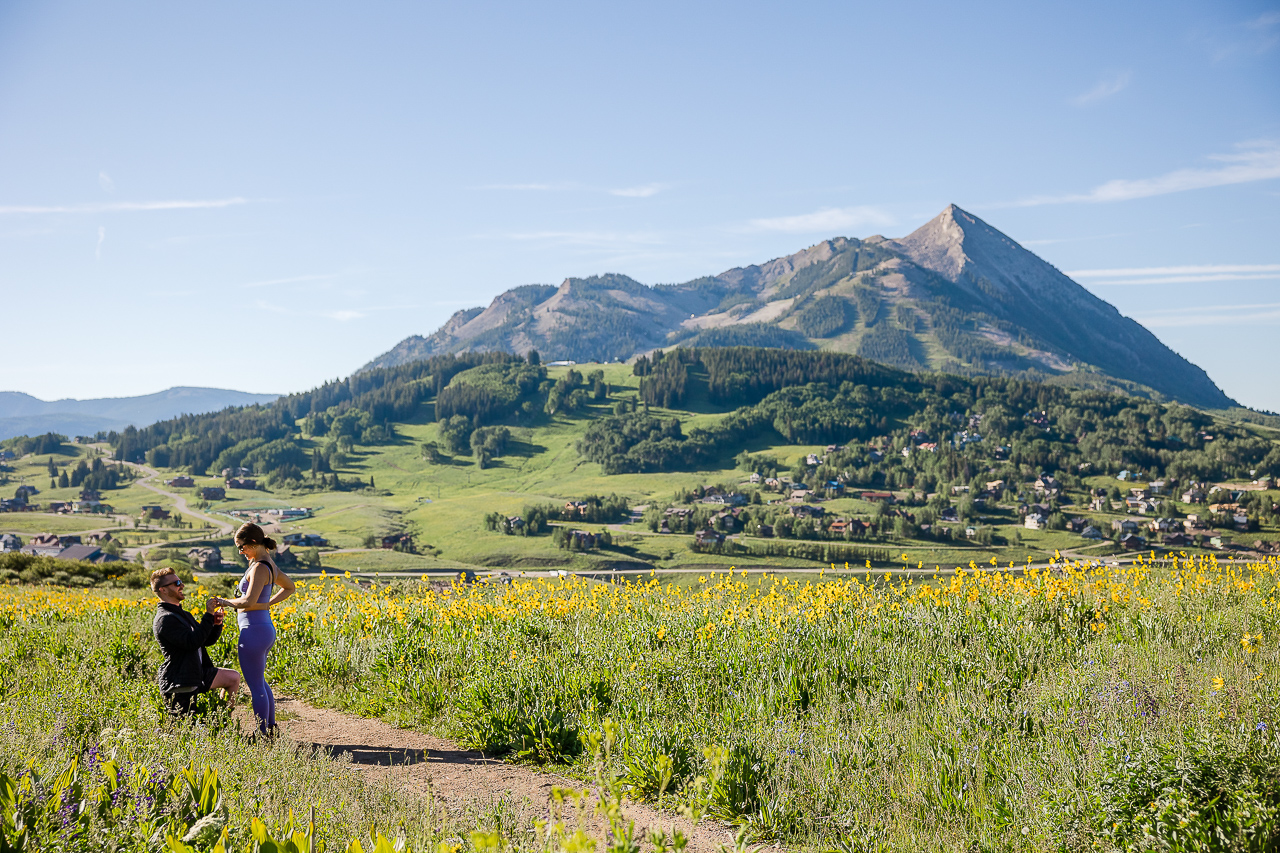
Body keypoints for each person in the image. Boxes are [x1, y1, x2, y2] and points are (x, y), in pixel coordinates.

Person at [216, 522, 295, 737]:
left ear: (252, 542)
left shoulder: (260, 566)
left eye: (242, 547)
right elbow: (289, 587)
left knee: (255, 686)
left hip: (253, 631)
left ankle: (263, 733)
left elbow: (249, 600)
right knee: (260, 681)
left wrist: (226, 602)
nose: (241, 552)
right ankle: (270, 728)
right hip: (263, 628)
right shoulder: (268, 564)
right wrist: (266, 605)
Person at [151, 567, 241, 716]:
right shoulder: (165, 619)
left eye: (180, 581)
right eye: (176, 583)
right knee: (183, 730)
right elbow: (192, 642)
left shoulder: (182, 614)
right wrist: (208, 614)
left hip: (196, 673)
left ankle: (223, 719)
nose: (182, 585)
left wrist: (216, 624)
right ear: (163, 590)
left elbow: (205, 641)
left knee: (233, 678)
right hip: (180, 681)